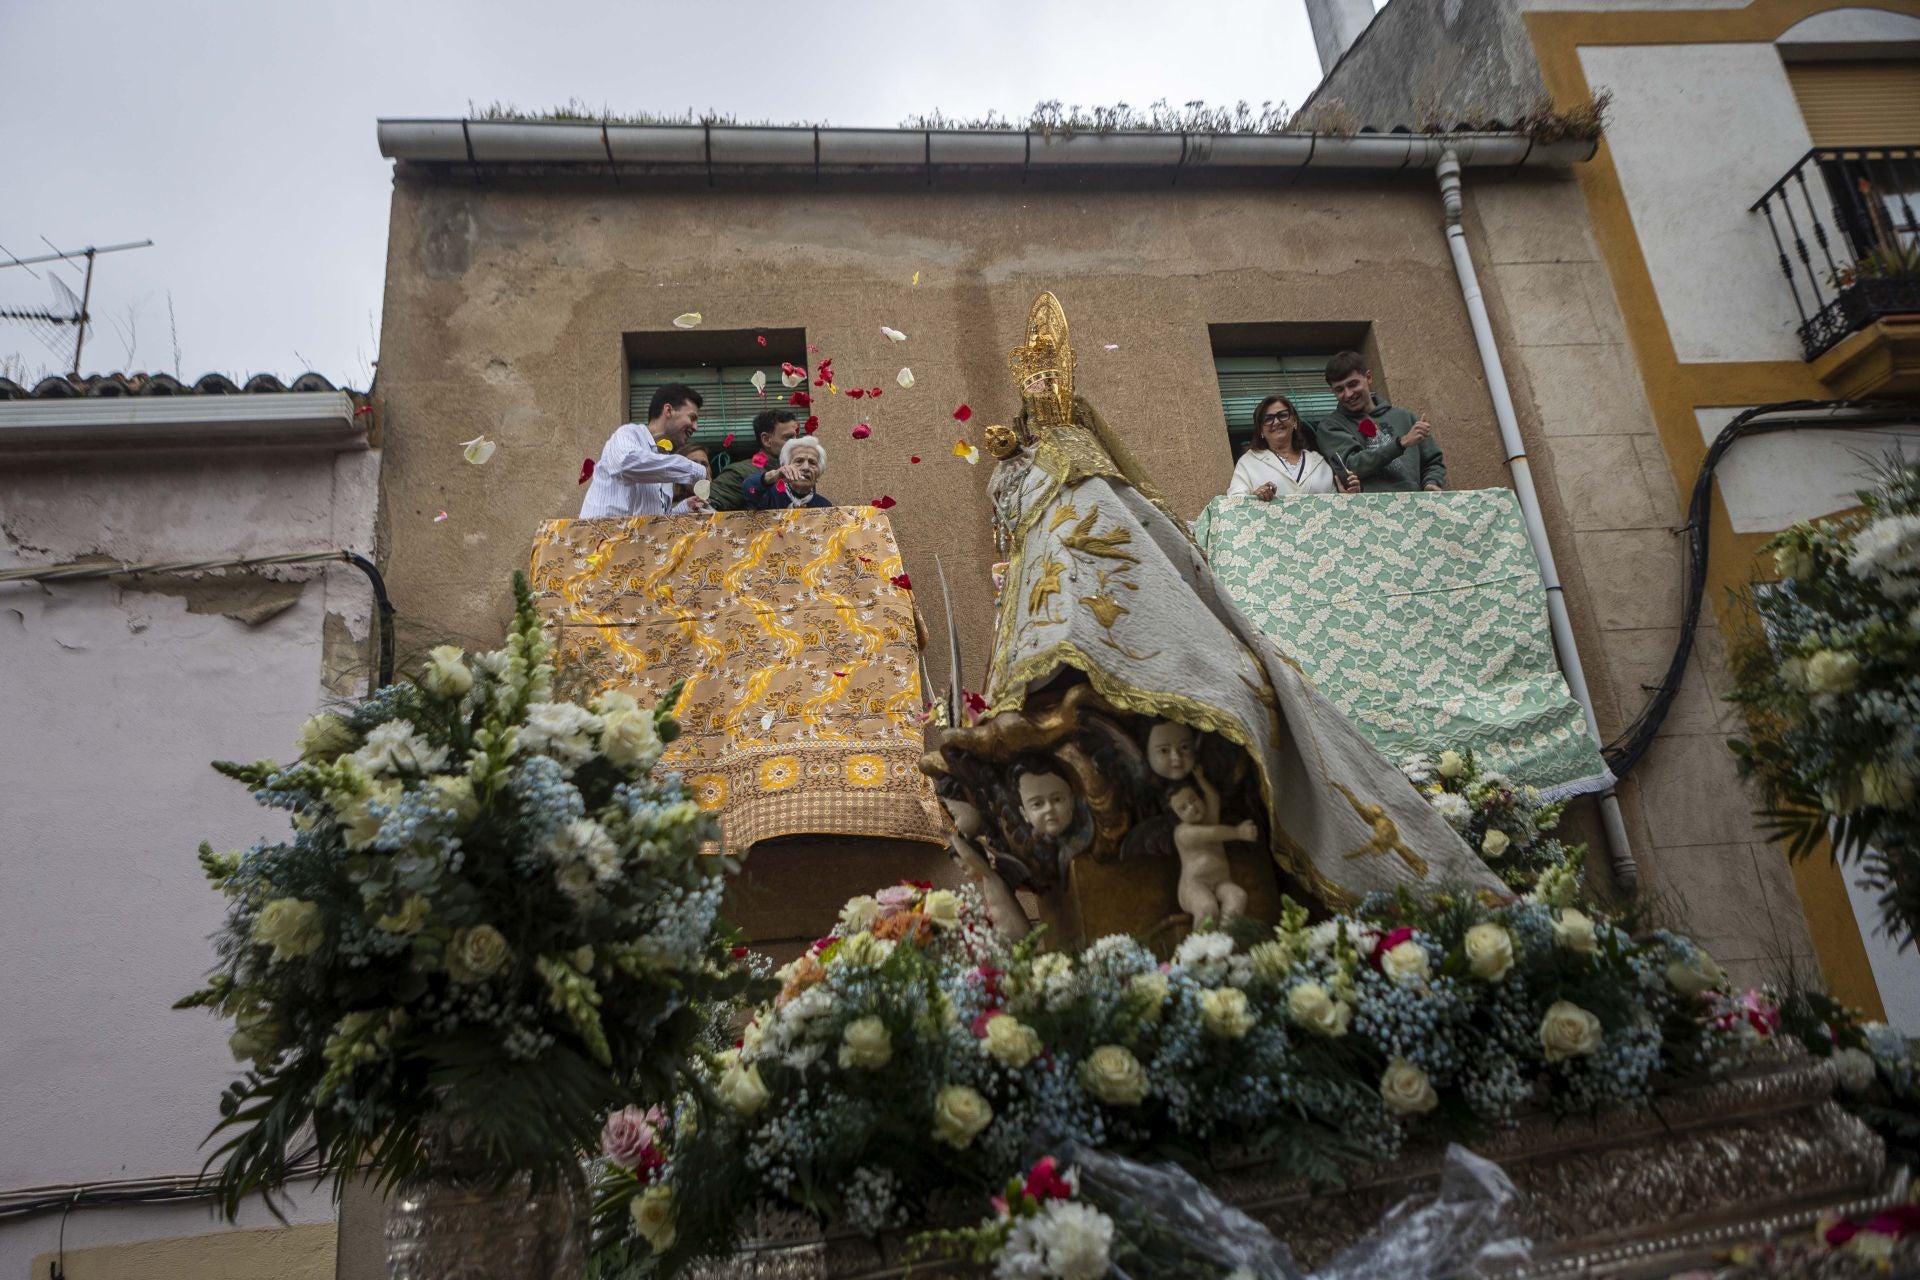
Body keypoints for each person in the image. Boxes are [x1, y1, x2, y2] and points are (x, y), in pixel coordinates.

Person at [1311, 351, 1446, 493]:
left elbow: (1433, 460)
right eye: (1339, 389)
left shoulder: (1405, 417)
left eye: (1353, 384)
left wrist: (1431, 482)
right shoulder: (1330, 426)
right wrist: (1401, 443)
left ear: (1368, 377)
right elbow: (1351, 467)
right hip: (1369, 509)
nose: (1348, 394)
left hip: (1415, 506)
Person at [578, 383, 713, 518]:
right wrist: (694, 469)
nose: (696, 427)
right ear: (668, 411)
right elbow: (625, 464)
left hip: (632, 538)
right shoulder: (628, 434)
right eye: (692, 418)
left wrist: (684, 508)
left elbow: (654, 521)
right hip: (600, 537)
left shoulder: (663, 461)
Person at [1226, 393, 1360, 499]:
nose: (1276, 422)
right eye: (1268, 419)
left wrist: (1346, 497)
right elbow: (1235, 501)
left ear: (1294, 421)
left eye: (1282, 415)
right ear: (1260, 429)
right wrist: (1255, 497)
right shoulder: (1249, 462)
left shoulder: (1317, 462)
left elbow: (1335, 506)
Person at [708, 409, 805, 511]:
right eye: (788, 438)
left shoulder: (800, 473)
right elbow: (704, 510)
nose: (795, 443)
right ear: (766, 440)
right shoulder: (740, 473)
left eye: (796, 437)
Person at [740, 436, 833, 510]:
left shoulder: (825, 506)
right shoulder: (769, 496)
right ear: (786, 466)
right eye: (799, 461)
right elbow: (748, 487)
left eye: (812, 463)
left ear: (819, 473)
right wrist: (772, 476)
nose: (806, 468)